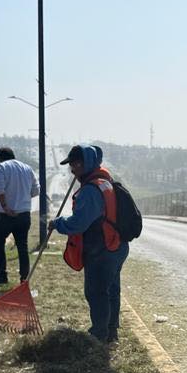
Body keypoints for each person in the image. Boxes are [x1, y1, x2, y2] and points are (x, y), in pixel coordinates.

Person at [48, 144, 128, 343]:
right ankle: (111, 332)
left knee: (96, 292)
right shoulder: (104, 182)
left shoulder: (91, 190)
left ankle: (99, 334)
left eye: (74, 165)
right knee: (111, 290)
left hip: (102, 249)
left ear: (84, 164)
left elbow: (78, 224)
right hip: (115, 245)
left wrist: (57, 223)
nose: (72, 169)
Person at [0, 147, 40, 284]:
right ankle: (24, 278)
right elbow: (36, 190)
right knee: (22, 246)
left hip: (5, 215)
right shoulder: (27, 168)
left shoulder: (0, 168)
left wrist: (6, 207)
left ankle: (2, 275)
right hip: (24, 214)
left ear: (0, 158)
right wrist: (23, 197)